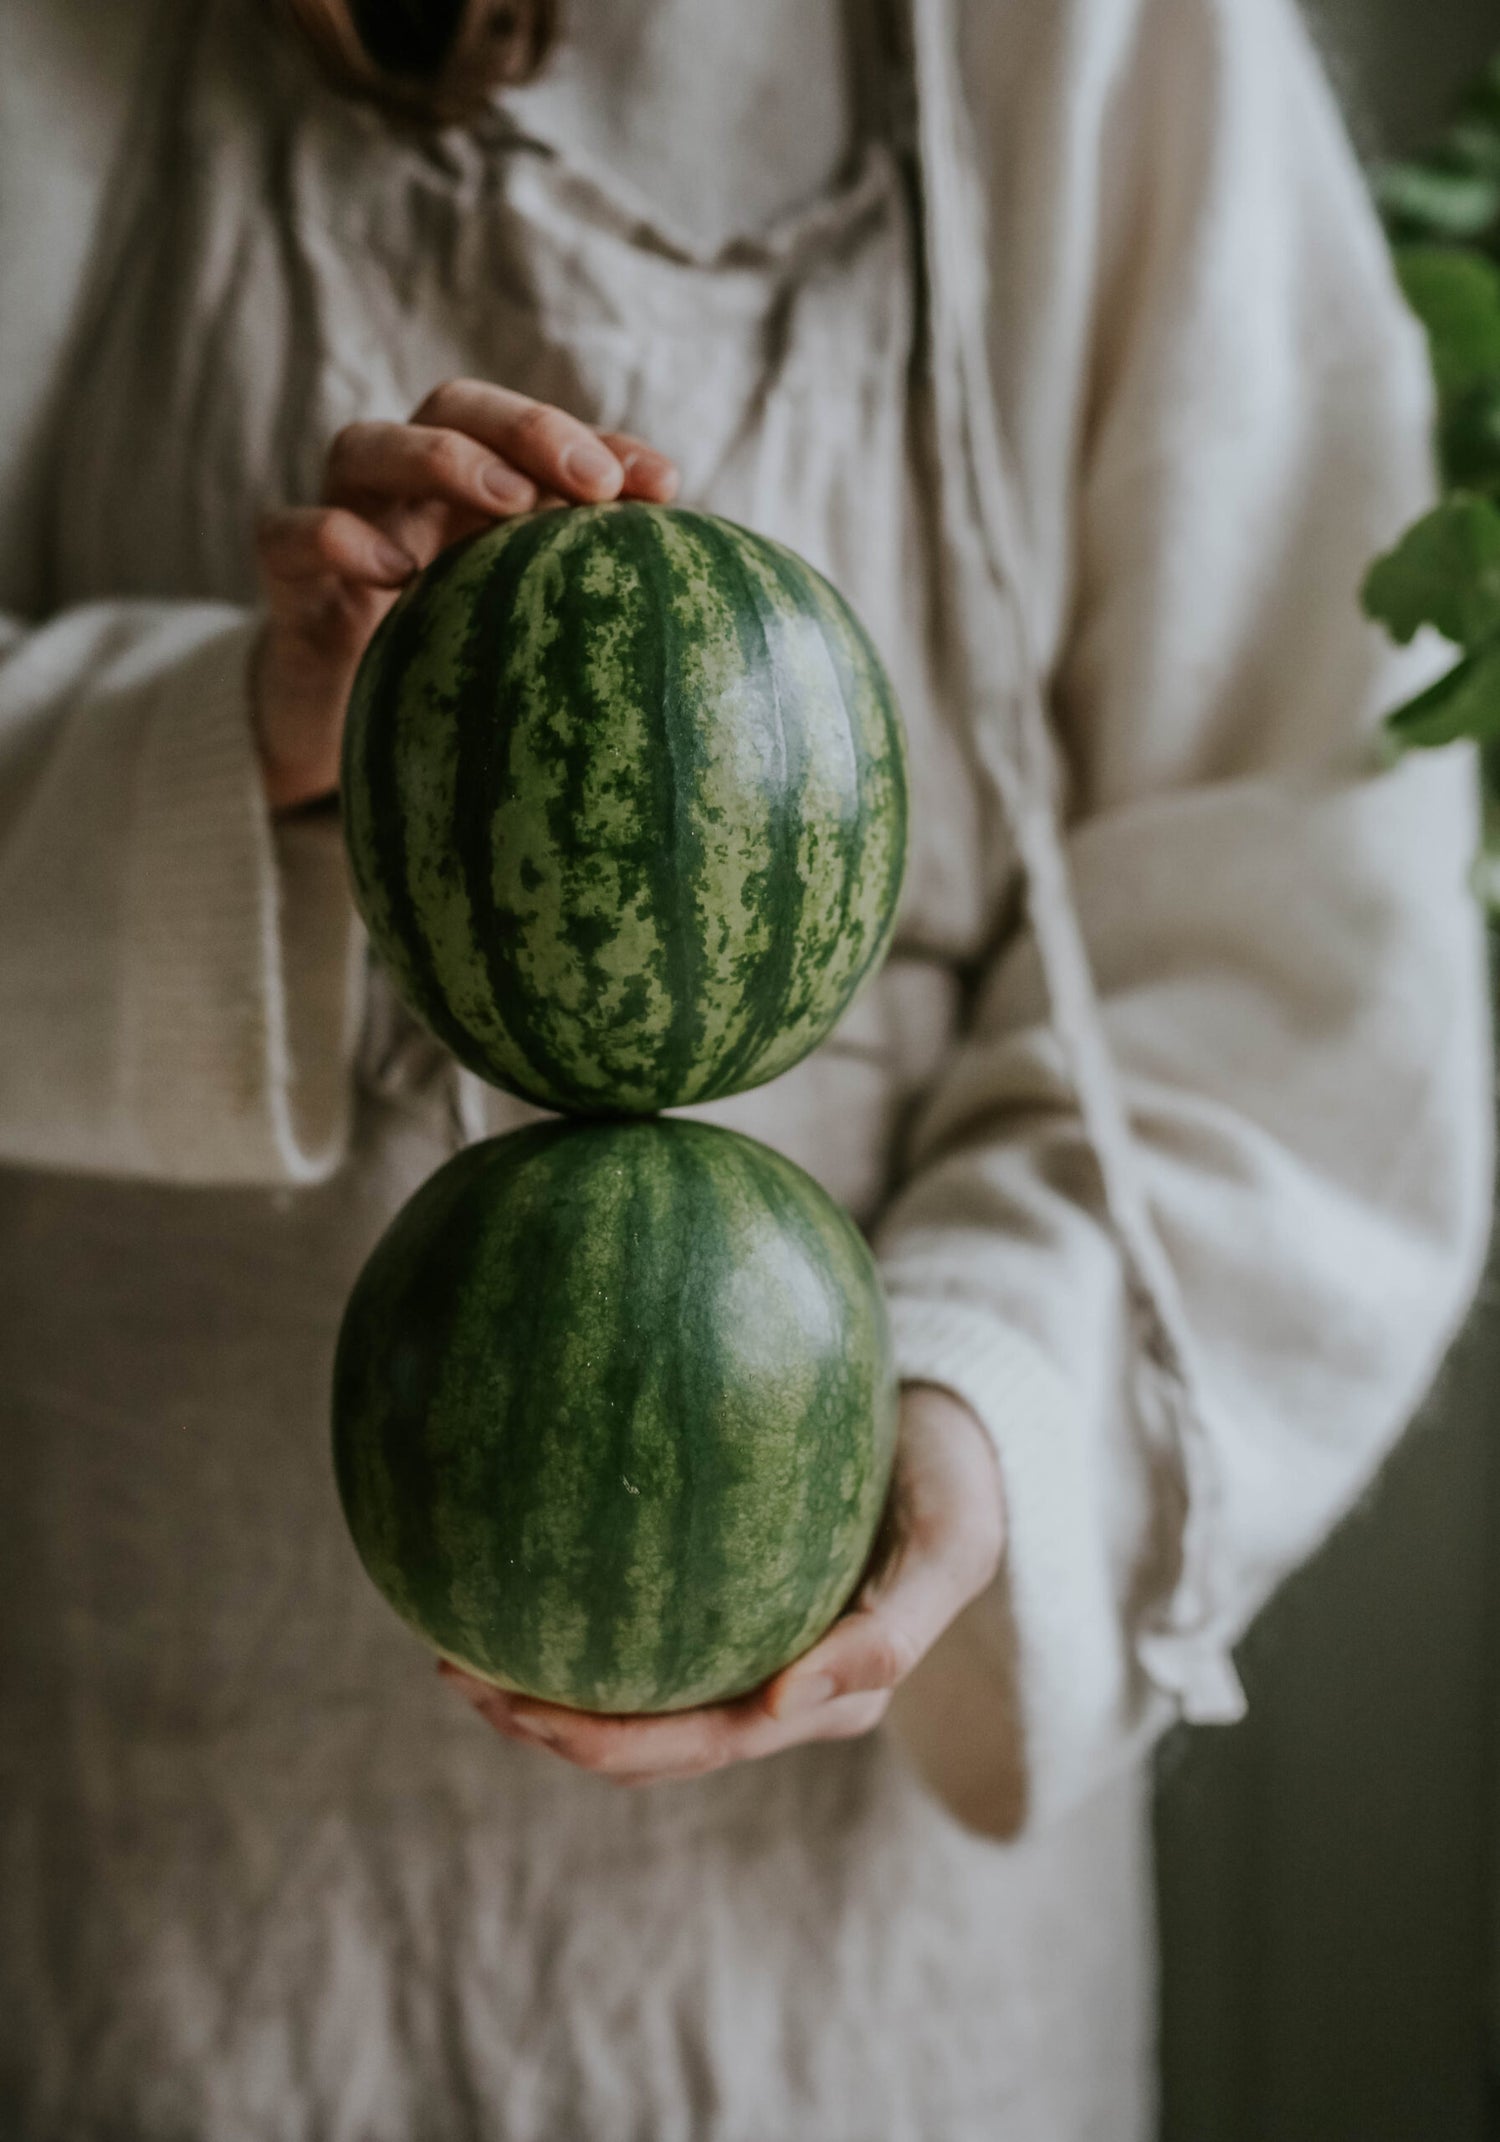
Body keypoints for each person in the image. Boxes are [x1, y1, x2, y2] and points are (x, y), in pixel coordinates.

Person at [0, 0, 1490, 2135]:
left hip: (844, 1972)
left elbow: (1303, 925)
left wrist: (989, 1410)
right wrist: (238, 733)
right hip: (163, 1861)